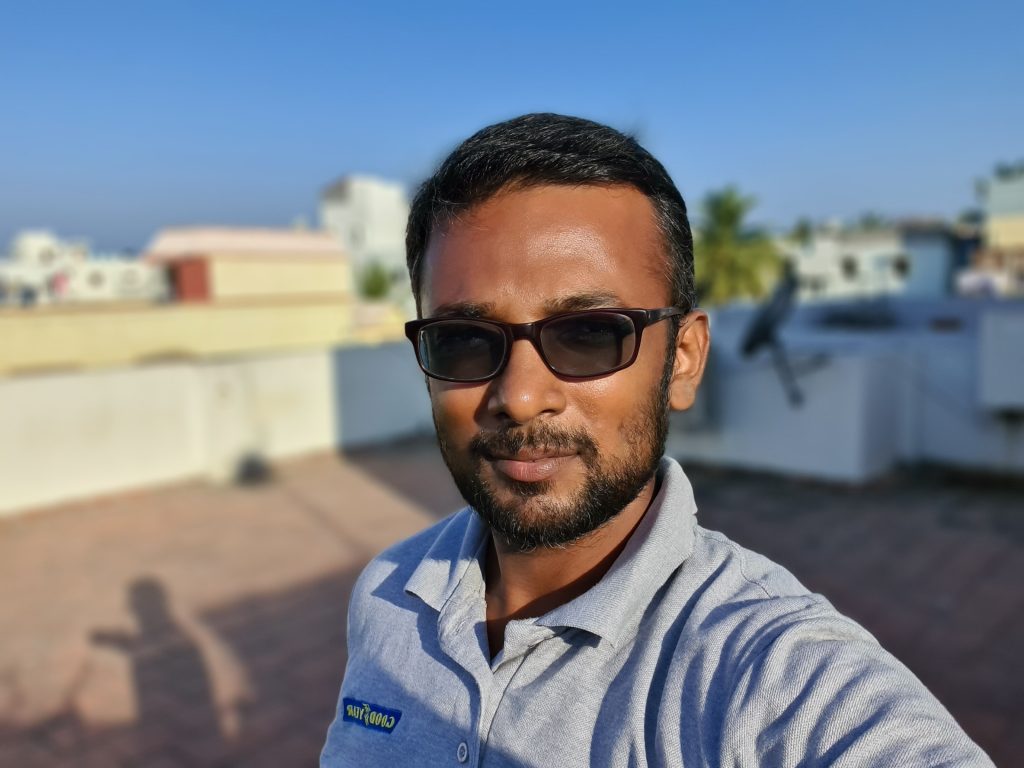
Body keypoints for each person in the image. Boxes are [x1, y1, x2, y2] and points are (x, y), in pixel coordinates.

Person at [321, 113, 992, 767]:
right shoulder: (388, 594)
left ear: (684, 359)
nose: (519, 397)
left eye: (589, 334)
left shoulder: (764, 672)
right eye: (464, 340)